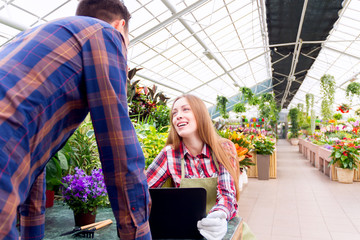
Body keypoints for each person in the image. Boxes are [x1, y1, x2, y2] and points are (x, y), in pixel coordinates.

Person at [0, 0, 151, 239]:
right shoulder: (106, 34)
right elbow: (119, 148)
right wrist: (139, 233)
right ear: (120, 25)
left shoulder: (38, 38)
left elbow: (35, 155)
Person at [146, 94, 241, 240]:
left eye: (185, 109)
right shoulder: (170, 154)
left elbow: (227, 194)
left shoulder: (224, 149)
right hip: (185, 230)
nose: (178, 116)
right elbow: (143, 191)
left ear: (200, 114)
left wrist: (219, 216)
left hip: (219, 227)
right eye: (174, 113)